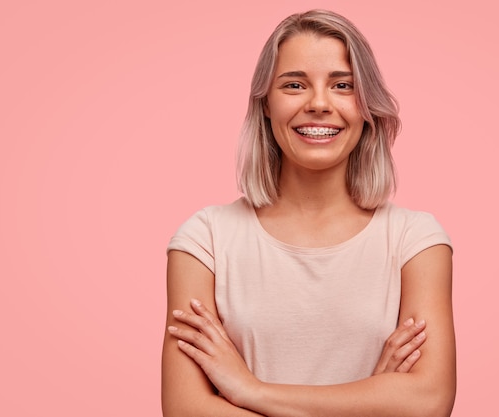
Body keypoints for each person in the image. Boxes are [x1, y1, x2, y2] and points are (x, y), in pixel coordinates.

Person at [162, 9, 456, 417]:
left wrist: (250, 390)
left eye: (343, 85)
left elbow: (428, 401)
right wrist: (371, 401)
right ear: (265, 103)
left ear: (366, 105)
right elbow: (185, 410)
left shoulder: (416, 242)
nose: (319, 104)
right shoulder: (205, 240)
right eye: (295, 84)